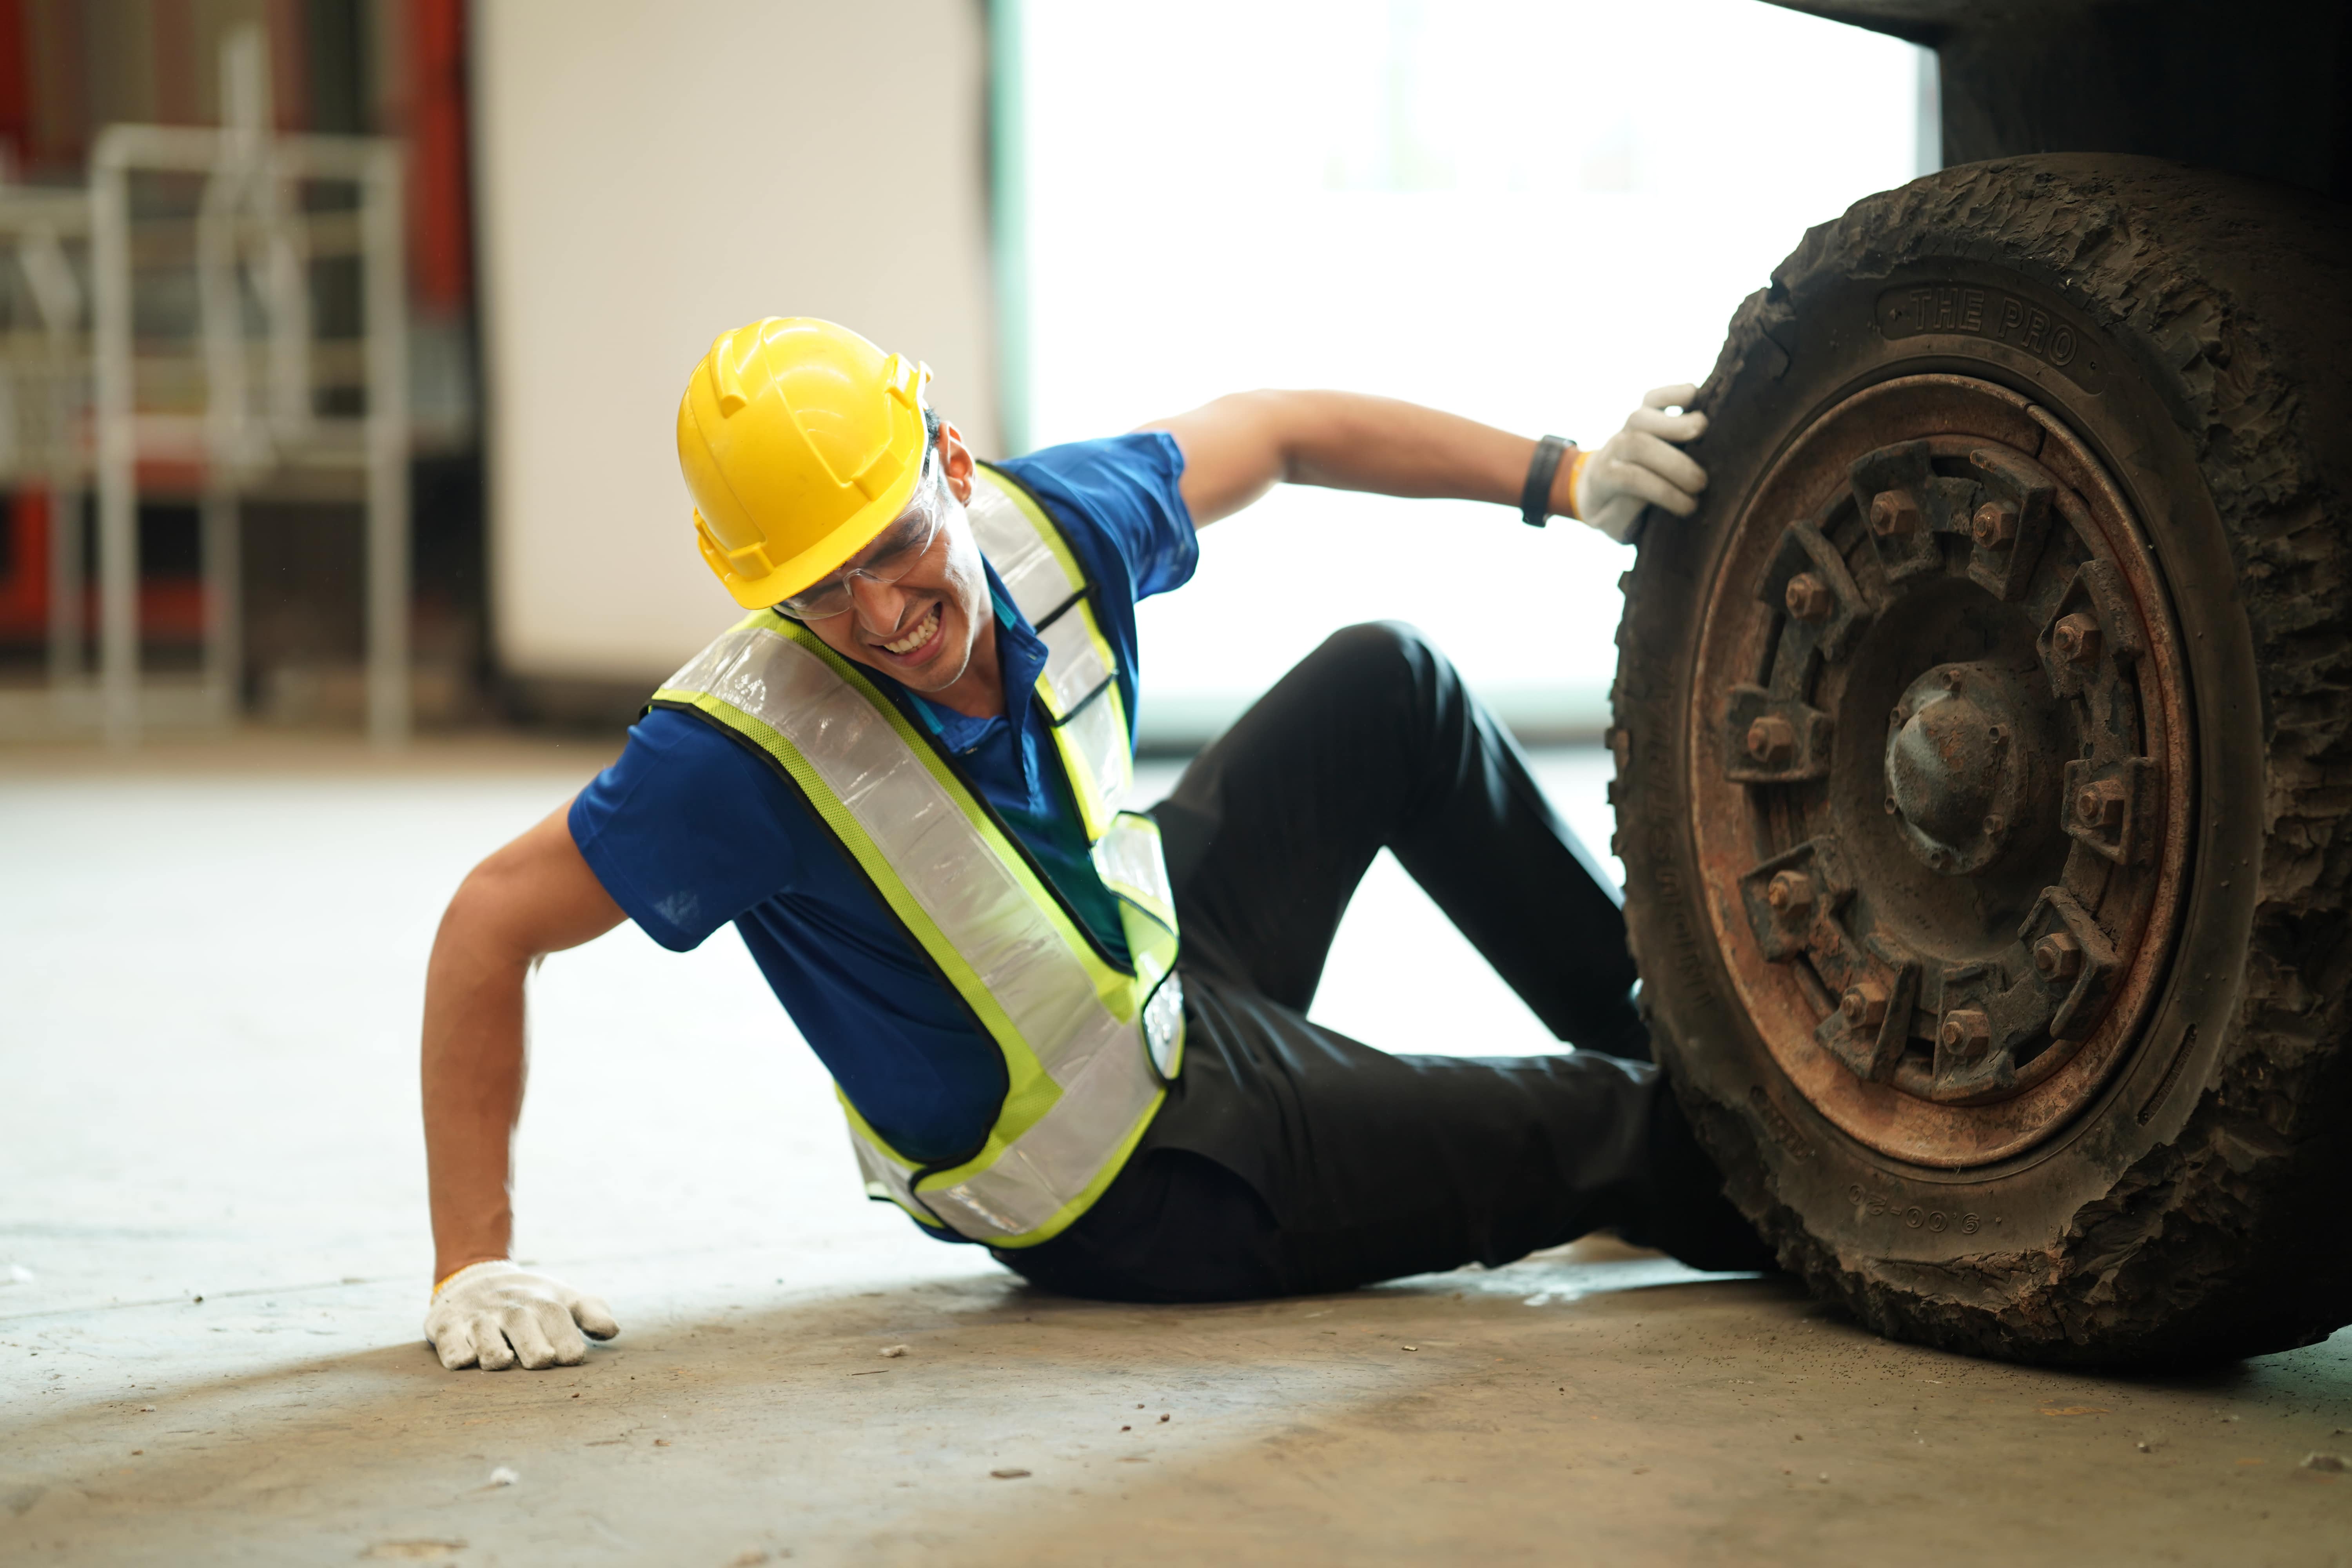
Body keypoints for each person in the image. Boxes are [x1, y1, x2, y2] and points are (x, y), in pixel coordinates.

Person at [417, 317, 1768, 1373]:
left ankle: (1696, 1029)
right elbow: (492, 920)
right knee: (1627, 1131)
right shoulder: (736, 757)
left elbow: (1280, 429)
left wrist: (1568, 476)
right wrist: (473, 1260)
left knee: (1389, 681)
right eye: (819, 589)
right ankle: (1795, 1163)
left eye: (895, 545)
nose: (881, 614)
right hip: (1130, 1179)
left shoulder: (1047, 528)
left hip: (1157, 969)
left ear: (952, 467)